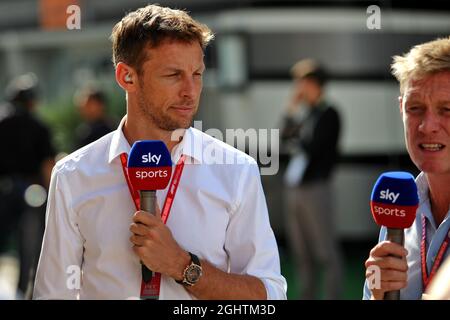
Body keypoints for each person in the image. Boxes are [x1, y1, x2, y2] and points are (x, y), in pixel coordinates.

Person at [33, 4, 287, 300]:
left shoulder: (236, 170)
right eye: (173, 75)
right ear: (127, 77)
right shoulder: (73, 176)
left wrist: (182, 265)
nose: (190, 91)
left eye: (197, 74)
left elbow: (269, 295)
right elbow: (53, 295)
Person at [363, 36, 450, 300]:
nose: (428, 125)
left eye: (447, 109)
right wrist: (378, 296)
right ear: (401, 109)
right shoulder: (400, 207)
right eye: (415, 108)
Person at [281, 59, 342, 299]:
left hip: (316, 188)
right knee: (301, 253)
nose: (298, 89)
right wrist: (291, 112)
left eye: (301, 83)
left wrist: (297, 135)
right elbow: (283, 136)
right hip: (295, 188)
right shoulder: (305, 114)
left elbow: (314, 147)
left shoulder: (330, 114)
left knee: (325, 251)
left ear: (314, 84)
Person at [0, 73, 56, 298]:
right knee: (29, 247)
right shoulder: (38, 126)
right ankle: (21, 292)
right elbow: (48, 165)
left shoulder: (1, 123)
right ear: (32, 101)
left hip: (2, 190)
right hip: (31, 193)